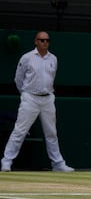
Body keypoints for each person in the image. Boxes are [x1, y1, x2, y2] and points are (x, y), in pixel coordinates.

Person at [1, 31, 74, 172]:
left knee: (51, 132)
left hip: (48, 98)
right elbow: (18, 79)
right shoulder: (26, 58)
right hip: (30, 98)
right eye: (41, 40)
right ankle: (6, 161)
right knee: (20, 130)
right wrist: (25, 94)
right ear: (36, 41)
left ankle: (58, 164)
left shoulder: (53, 59)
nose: (44, 43)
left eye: (47, 40)